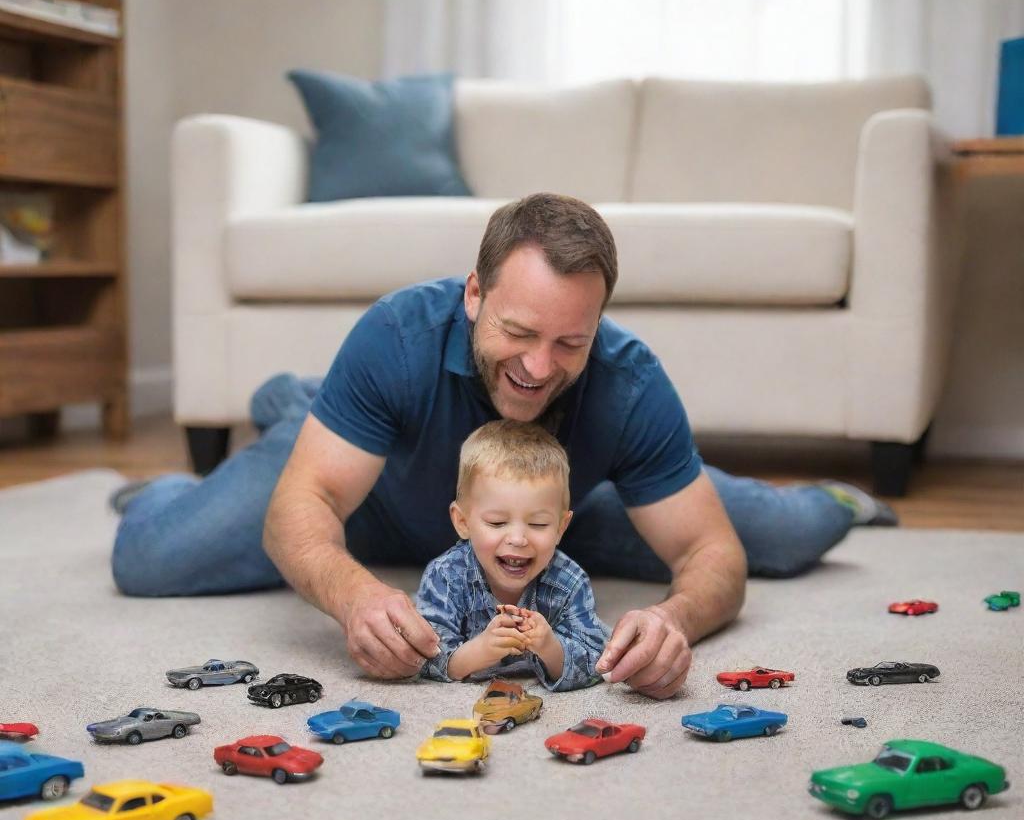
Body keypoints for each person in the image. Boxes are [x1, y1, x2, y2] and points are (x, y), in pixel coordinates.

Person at [111, 193, 894, 700]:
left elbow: (709, 552)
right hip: (375, 500)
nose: (538, 366)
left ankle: (839, 497)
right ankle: (290, 414)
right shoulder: (397, 334)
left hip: (550, 521)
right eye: (517, 333)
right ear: (474, 293)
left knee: (784, 537)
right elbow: (303, 508)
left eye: (569, 343)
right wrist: (357, 597)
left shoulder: (628, 381)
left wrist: (673, 623)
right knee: (151, 560)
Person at [416, 419, 609, 692]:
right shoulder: (446, 576)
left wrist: (550, 648)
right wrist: (478, 651)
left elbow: (596, 662)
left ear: (560, 527)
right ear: (462, 522)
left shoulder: (569, 581)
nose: (518, 539)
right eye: (496, 522)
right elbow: (424, 656)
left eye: (539, 524)